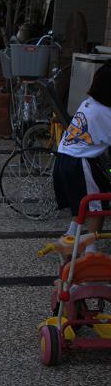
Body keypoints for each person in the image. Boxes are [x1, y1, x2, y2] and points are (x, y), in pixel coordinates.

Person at [53, 62, 111, 253]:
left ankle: (70, 241)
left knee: (82, 204)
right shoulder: (106, 113)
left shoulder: (89, 104)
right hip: (80, 163)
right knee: (97, 206)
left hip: (64, 158)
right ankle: (90, 252)